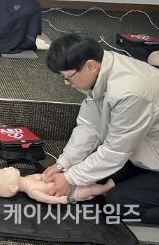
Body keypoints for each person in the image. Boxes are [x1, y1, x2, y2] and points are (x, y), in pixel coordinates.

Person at [43, 34, 159, 224]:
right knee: (93, 176)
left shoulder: (130, 92)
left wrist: (70, 178)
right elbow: (89, 126)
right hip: (144, 148)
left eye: (68, 77)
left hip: (146, 154)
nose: (66, 83)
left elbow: (115, 151)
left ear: (90, 66)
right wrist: (63, 164)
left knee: (118, 204)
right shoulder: (102, 69)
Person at [0, 166, 114, 204]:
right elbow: (47, 199)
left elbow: (42, 176)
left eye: (5, 169)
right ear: (13, 188)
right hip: (70, 193)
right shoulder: (32, 191)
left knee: (87, 179)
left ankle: (101, 186)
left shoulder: (28, 178)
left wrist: (48, 175)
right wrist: (60, 200)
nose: (9, 168)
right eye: (7, 173)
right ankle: (106, 188)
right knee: (89, 190)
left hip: (66, 180)